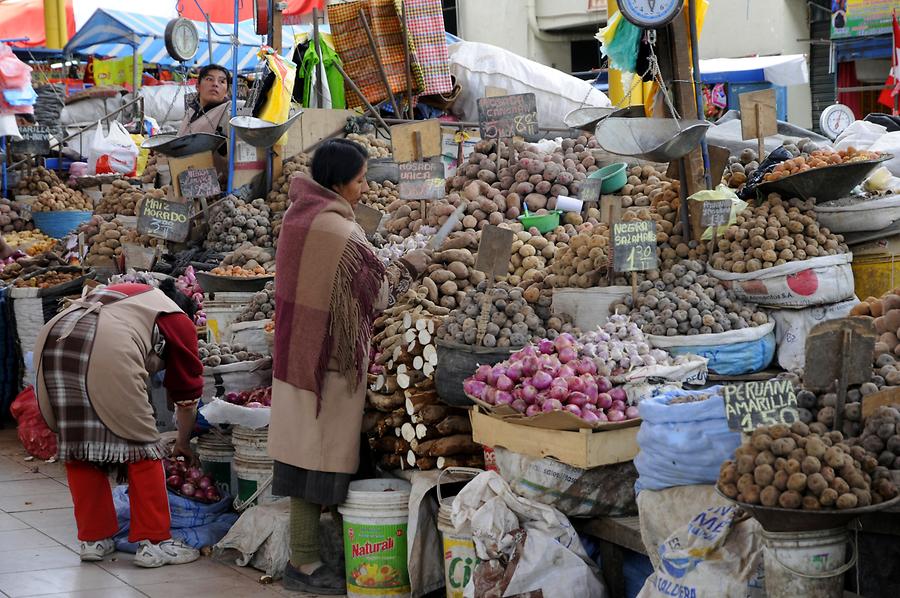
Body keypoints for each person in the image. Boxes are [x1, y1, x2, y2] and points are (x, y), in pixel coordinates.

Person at [269, 139, 430, 594]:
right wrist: (409, 269)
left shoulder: (298, 216)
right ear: (339, 181)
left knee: (301, 455)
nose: (365, 187)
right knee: (316, 462)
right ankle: (303, 565)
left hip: (297, 354)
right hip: (329, 364)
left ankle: (311, 558)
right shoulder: (341, 231)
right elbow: (375, 296)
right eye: (360, 179)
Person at [33, 279, 204, 568]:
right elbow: (187, 396)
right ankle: (154, 543)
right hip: (107, 345)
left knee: (79, 443)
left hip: (56, 339)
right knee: (142, 446)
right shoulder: (178, 320)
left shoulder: (139, 297)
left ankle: (94, 539)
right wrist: (183, 441)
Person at [178, 63, 233, 182]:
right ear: (198, 86)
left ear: (227, 91)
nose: (215, 84)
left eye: (222, 81)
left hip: (213, 182)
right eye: (209, 79)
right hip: (183, 176)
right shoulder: (191, 111)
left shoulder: (230, 109)